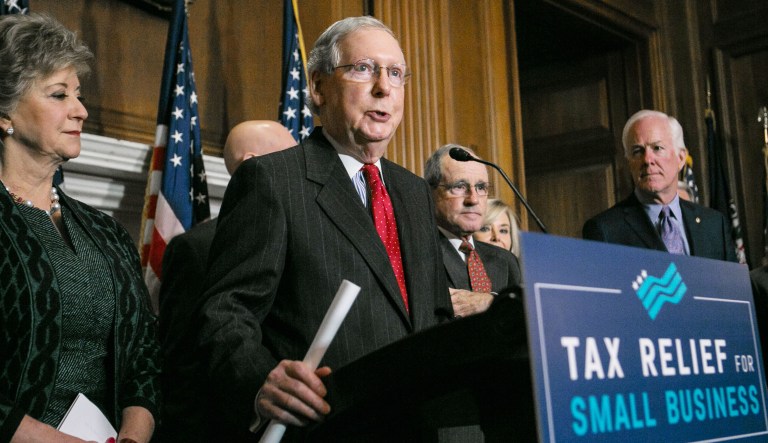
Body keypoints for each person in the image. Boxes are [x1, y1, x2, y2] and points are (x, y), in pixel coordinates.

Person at [193, 16, 453, 441]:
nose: (384, 87)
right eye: (364, 68)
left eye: (395, 73)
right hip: (327, 428)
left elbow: (433, 315)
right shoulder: (272, 181)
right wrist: (260, 381)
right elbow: (225, 312)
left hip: (418, 427)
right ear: (317, 86)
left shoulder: (413, 191)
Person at [0, 13, 159, 443]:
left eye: (79, 94)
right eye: (59, 94)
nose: (81, 110)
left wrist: (132, 436)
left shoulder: (103, 230)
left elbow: (144, 354)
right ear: (4, 113)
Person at [157, 120, 296, 441]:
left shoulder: (315, 240)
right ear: (251, 165)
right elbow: (183, 372)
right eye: (292, 156)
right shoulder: (197, 250)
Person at [582, 109, 737, 262]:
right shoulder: (605, 231)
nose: (647, 159)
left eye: (657, 148)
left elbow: (731, 286)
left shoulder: (715, 225)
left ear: (681, 158)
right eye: (637, 151)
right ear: (629, 163)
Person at [425, 144, 522, 318]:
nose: (473, 199)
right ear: (430, 192)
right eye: (459, 186)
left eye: (481, 187)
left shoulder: (506, 260)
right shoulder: (417, 255)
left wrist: (490, 302)